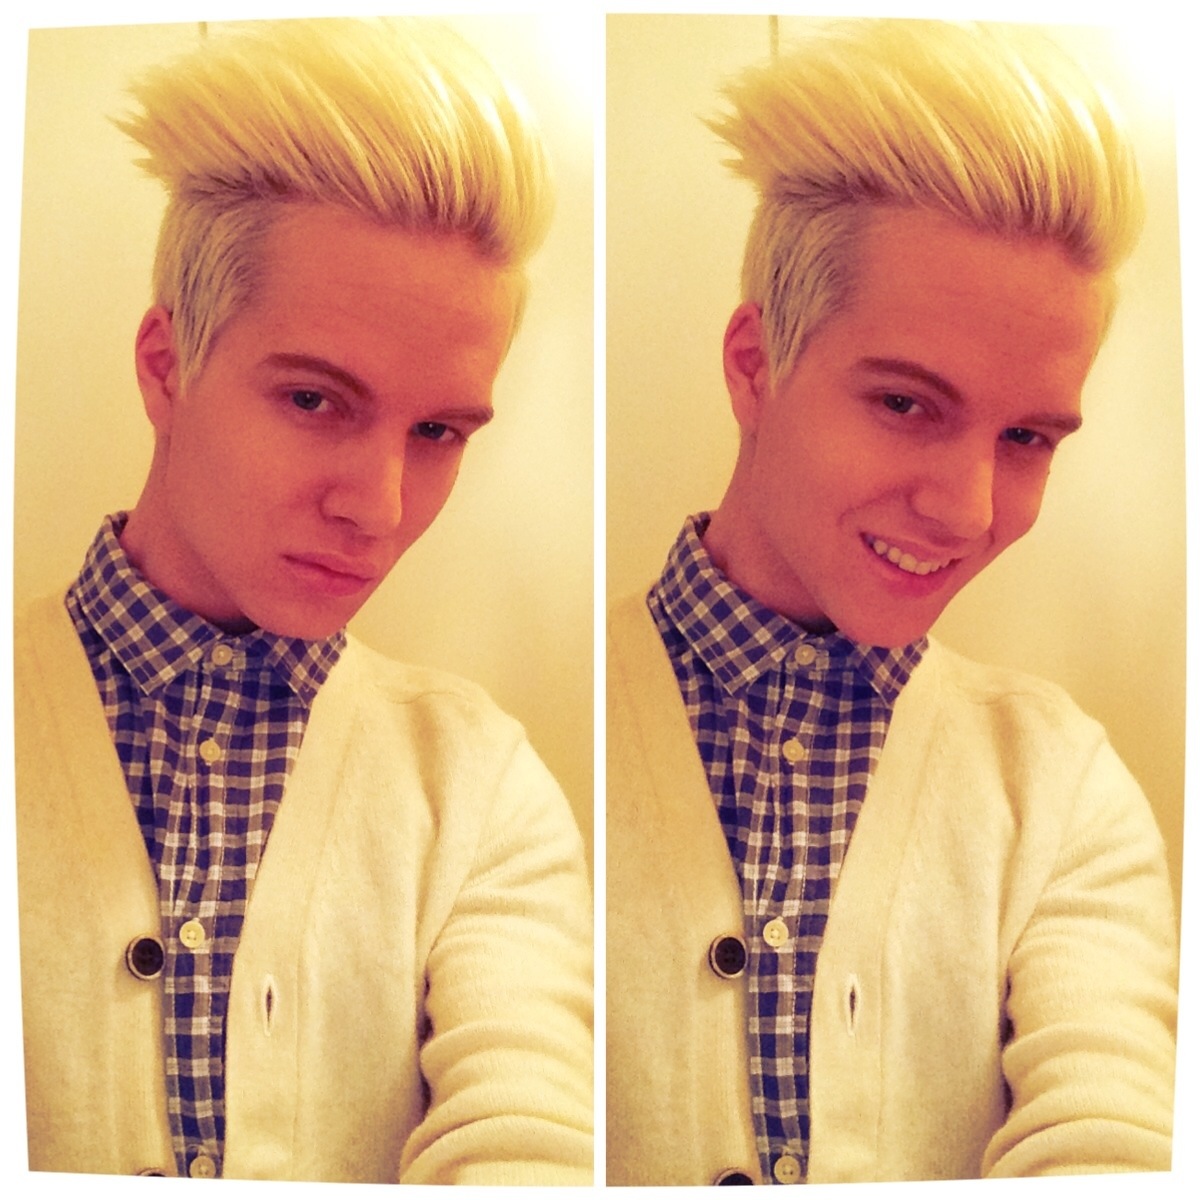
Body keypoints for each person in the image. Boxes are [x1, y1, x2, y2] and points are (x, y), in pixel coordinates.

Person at [14, 17, 592, 1184]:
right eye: (316, 402)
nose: (379, 507)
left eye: (439, 431)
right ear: (167, 364)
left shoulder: (477, 789)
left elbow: (531, 1130)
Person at [606, 18, 1177, 1186]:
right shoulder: (548, 735)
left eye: (1027, 438)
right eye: (908, 405)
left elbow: (1110, 1135)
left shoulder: (1061, 793)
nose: (969, 509)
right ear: (756, 363)